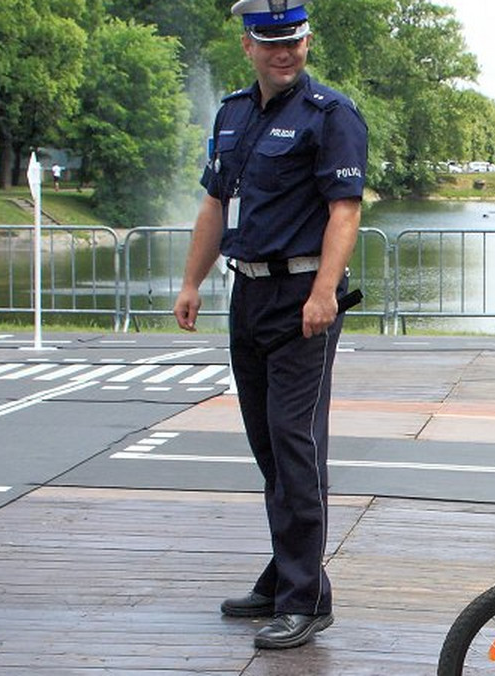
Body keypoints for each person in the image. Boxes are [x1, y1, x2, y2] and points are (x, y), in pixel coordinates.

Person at [173, 0, 368, 651]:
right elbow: (213, 203)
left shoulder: (330, 115)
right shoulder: (232, 115)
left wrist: (322, 293)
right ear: (248, 45)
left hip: (302, 301)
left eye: (295, 41)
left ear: (307, 41)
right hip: (248, 296)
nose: (285, 52)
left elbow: (344, 211)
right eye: (271, 42)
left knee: (294, 444)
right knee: (268, 447)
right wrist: (190, 281)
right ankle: (286, 575)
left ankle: (305, 600)